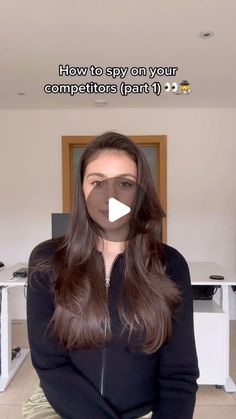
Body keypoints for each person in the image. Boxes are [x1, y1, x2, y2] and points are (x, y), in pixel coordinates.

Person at [23, 132, 199, 419]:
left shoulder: (171, 264)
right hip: (61, 409)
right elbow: (50, 364)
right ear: (81, 190)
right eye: (97, 182)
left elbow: (179, 375)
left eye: (126, 183)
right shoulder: (46, 260)